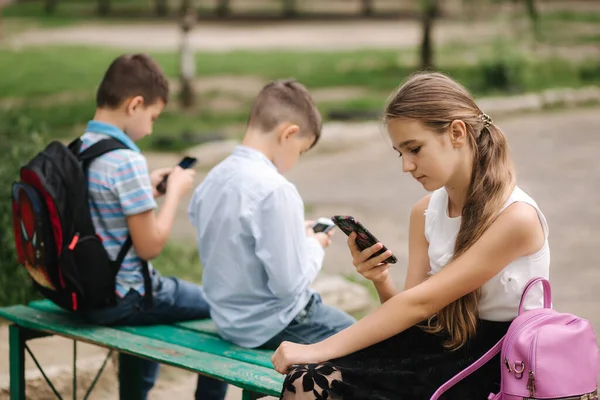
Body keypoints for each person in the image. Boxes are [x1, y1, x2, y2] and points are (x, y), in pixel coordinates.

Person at [271, 72, 550, 399]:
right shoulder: (425, 212)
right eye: (399, 153)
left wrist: (315, 349)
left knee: (311, 377)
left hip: (498, 366)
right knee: (306, 379)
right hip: (438, 349)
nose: (406, 165)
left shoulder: (516, 218)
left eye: (414, 149)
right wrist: (380, 278)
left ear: (457, 133)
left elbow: (420, 303)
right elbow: (414, 316)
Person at [76, 53, 227, 400]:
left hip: (86, 291)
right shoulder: (127, 161)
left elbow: (102, 209)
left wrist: (146, 186)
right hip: (125, 297)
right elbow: (150, 247)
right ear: (135, 105)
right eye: (153, 117)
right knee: (223, 306)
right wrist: (173, 194)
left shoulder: (81, 148)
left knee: (151, 311)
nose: (152, 128)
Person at [188, 79, 355, 353]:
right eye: (301, 150)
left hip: (227, 321)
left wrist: (289, 233)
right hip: (274, 325)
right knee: (372, 342)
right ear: (288, 134)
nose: (297, 159)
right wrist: (314, 245)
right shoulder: (275, 190)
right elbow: (288, 287)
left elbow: (229, 236)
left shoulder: (214, 177)